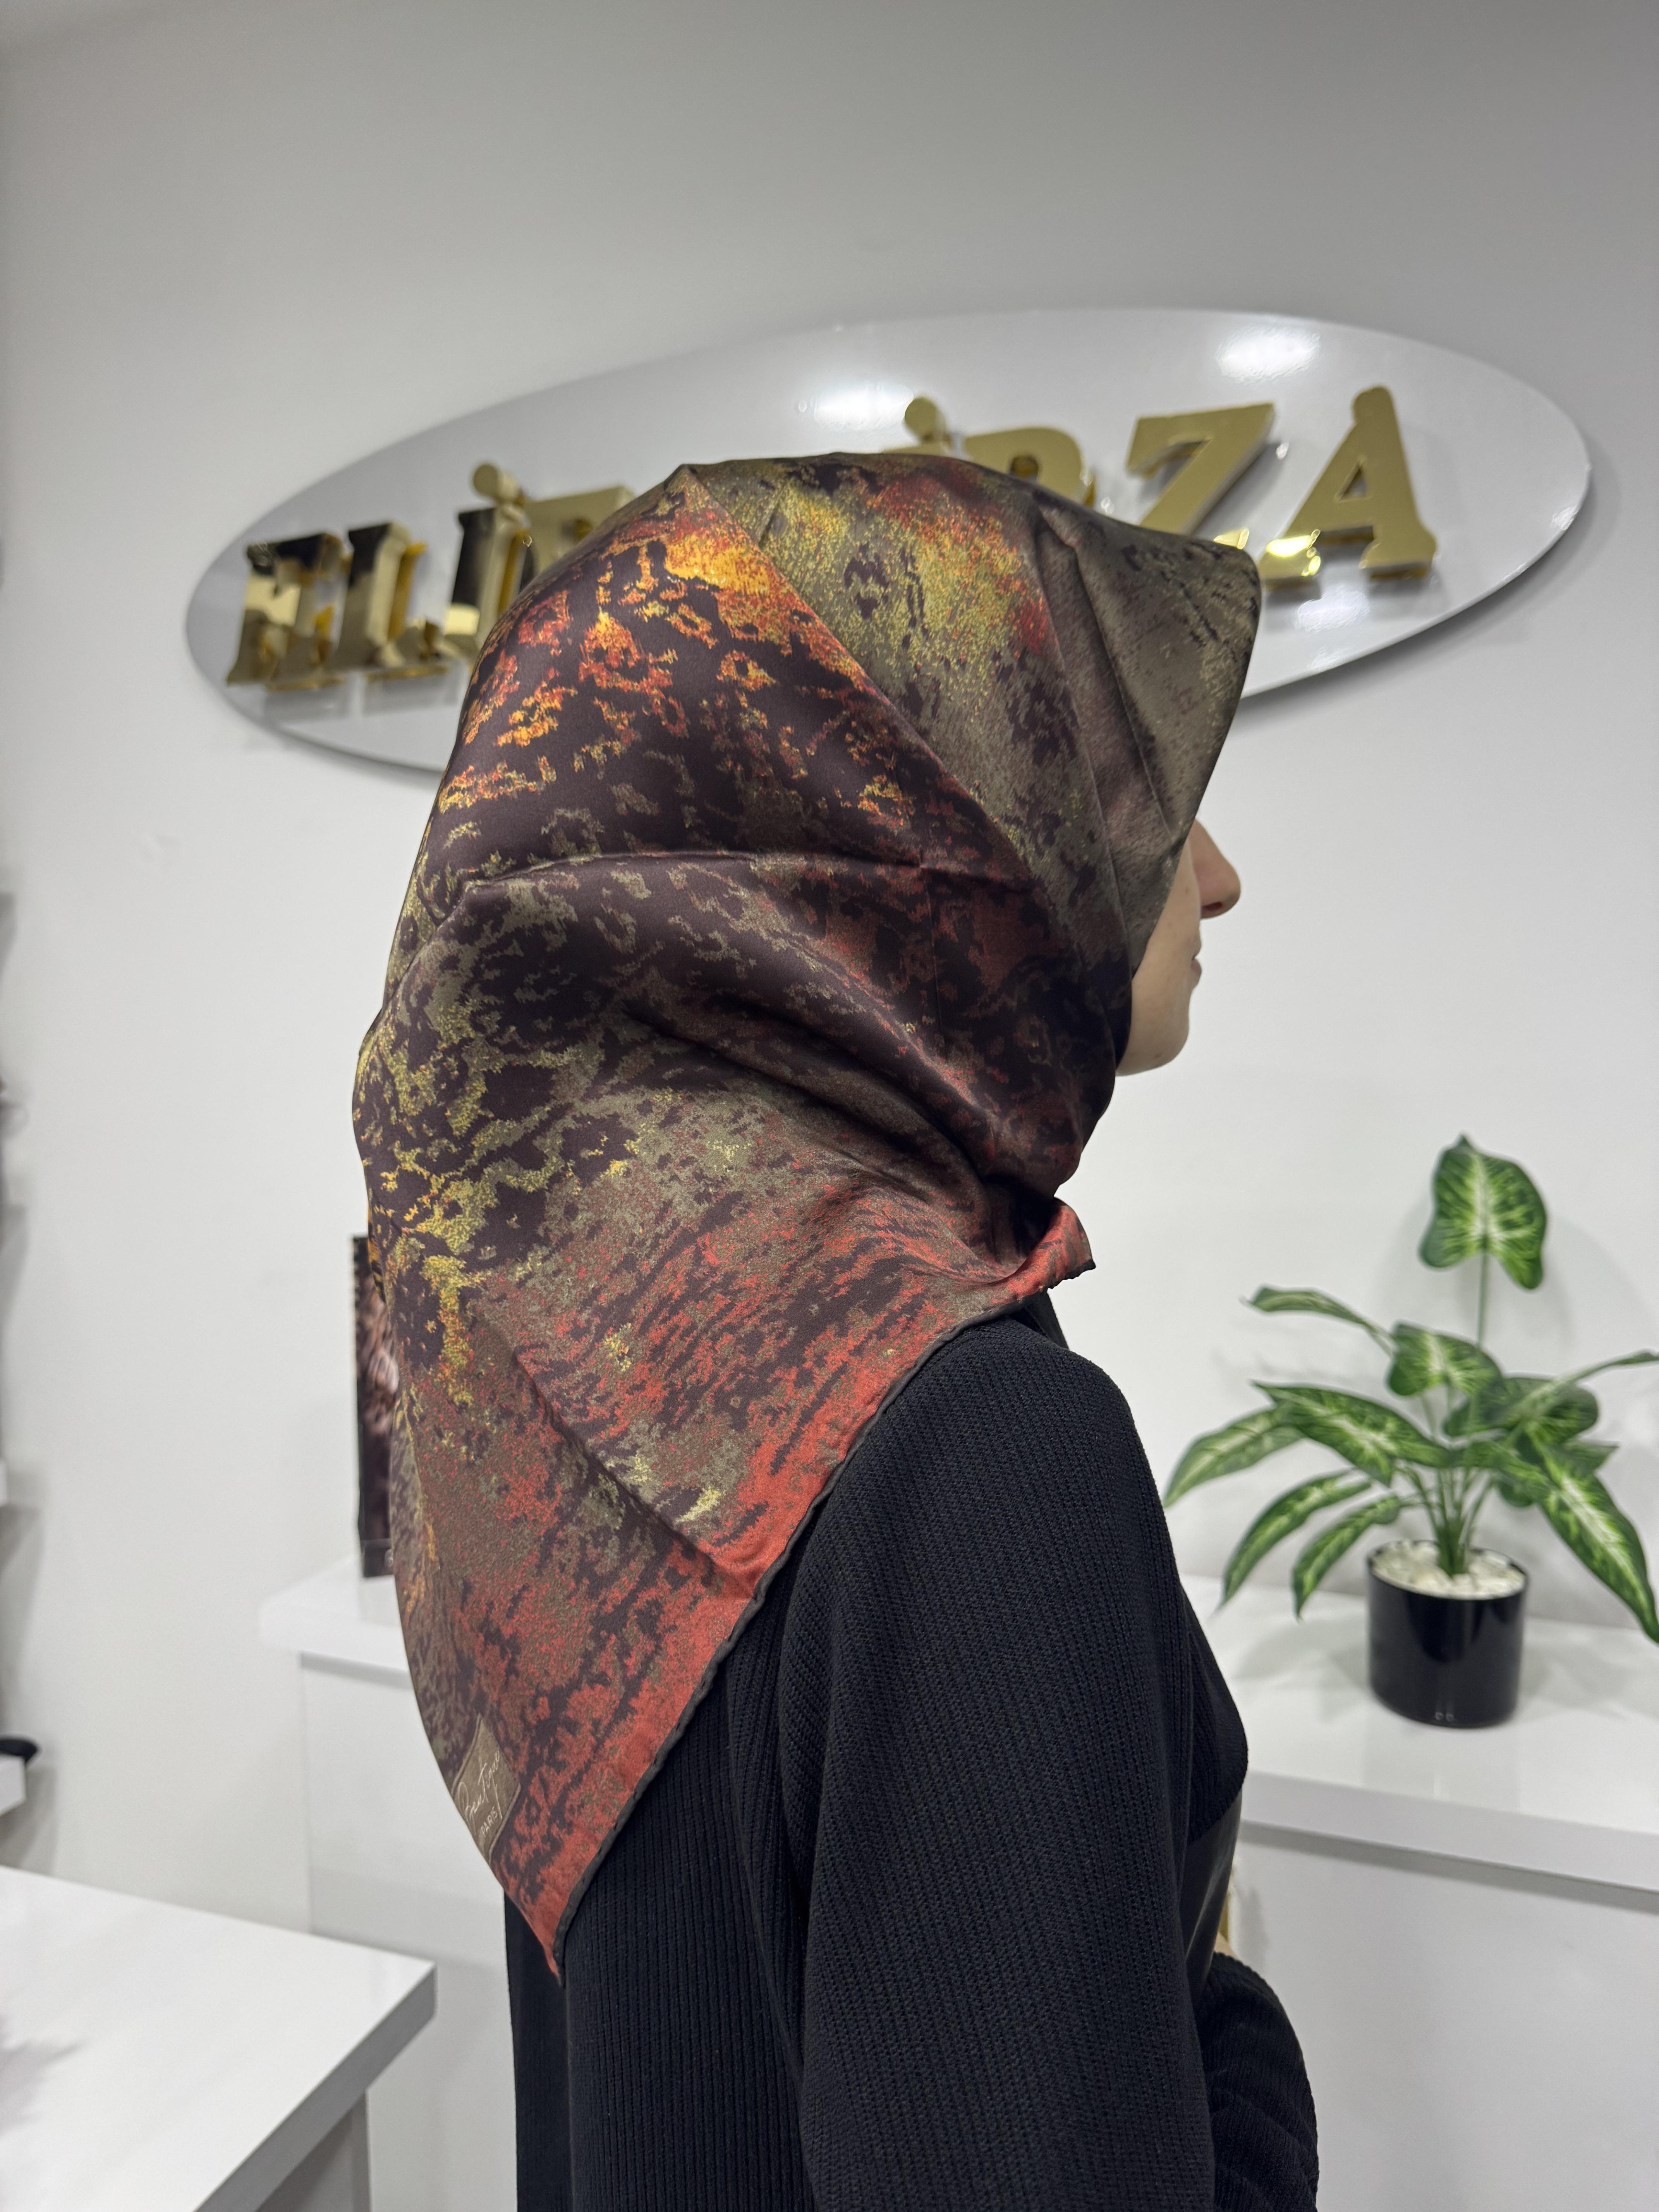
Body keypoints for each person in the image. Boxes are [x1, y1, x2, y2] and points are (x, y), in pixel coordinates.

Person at [356, 451, 1319, 2210]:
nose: (1221, 876)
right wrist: (1226, 2019)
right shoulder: (973, 1446)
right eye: (1142, 794)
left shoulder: (569, 1375)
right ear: (917, 850)